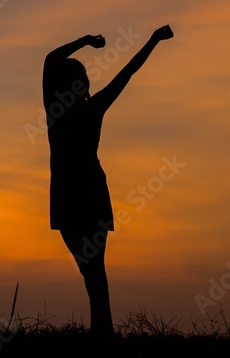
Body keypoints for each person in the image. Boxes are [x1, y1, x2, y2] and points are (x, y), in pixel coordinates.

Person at [43, 25, 174, 336]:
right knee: (91, 269)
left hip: (76, 194)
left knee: (91, 269)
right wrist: (152, 40)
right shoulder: (85, 108)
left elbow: (51, 60)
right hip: (83, 192)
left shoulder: (57, 111)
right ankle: (103, 329)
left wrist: (85, 42)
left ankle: (102, 331)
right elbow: (126, 73)